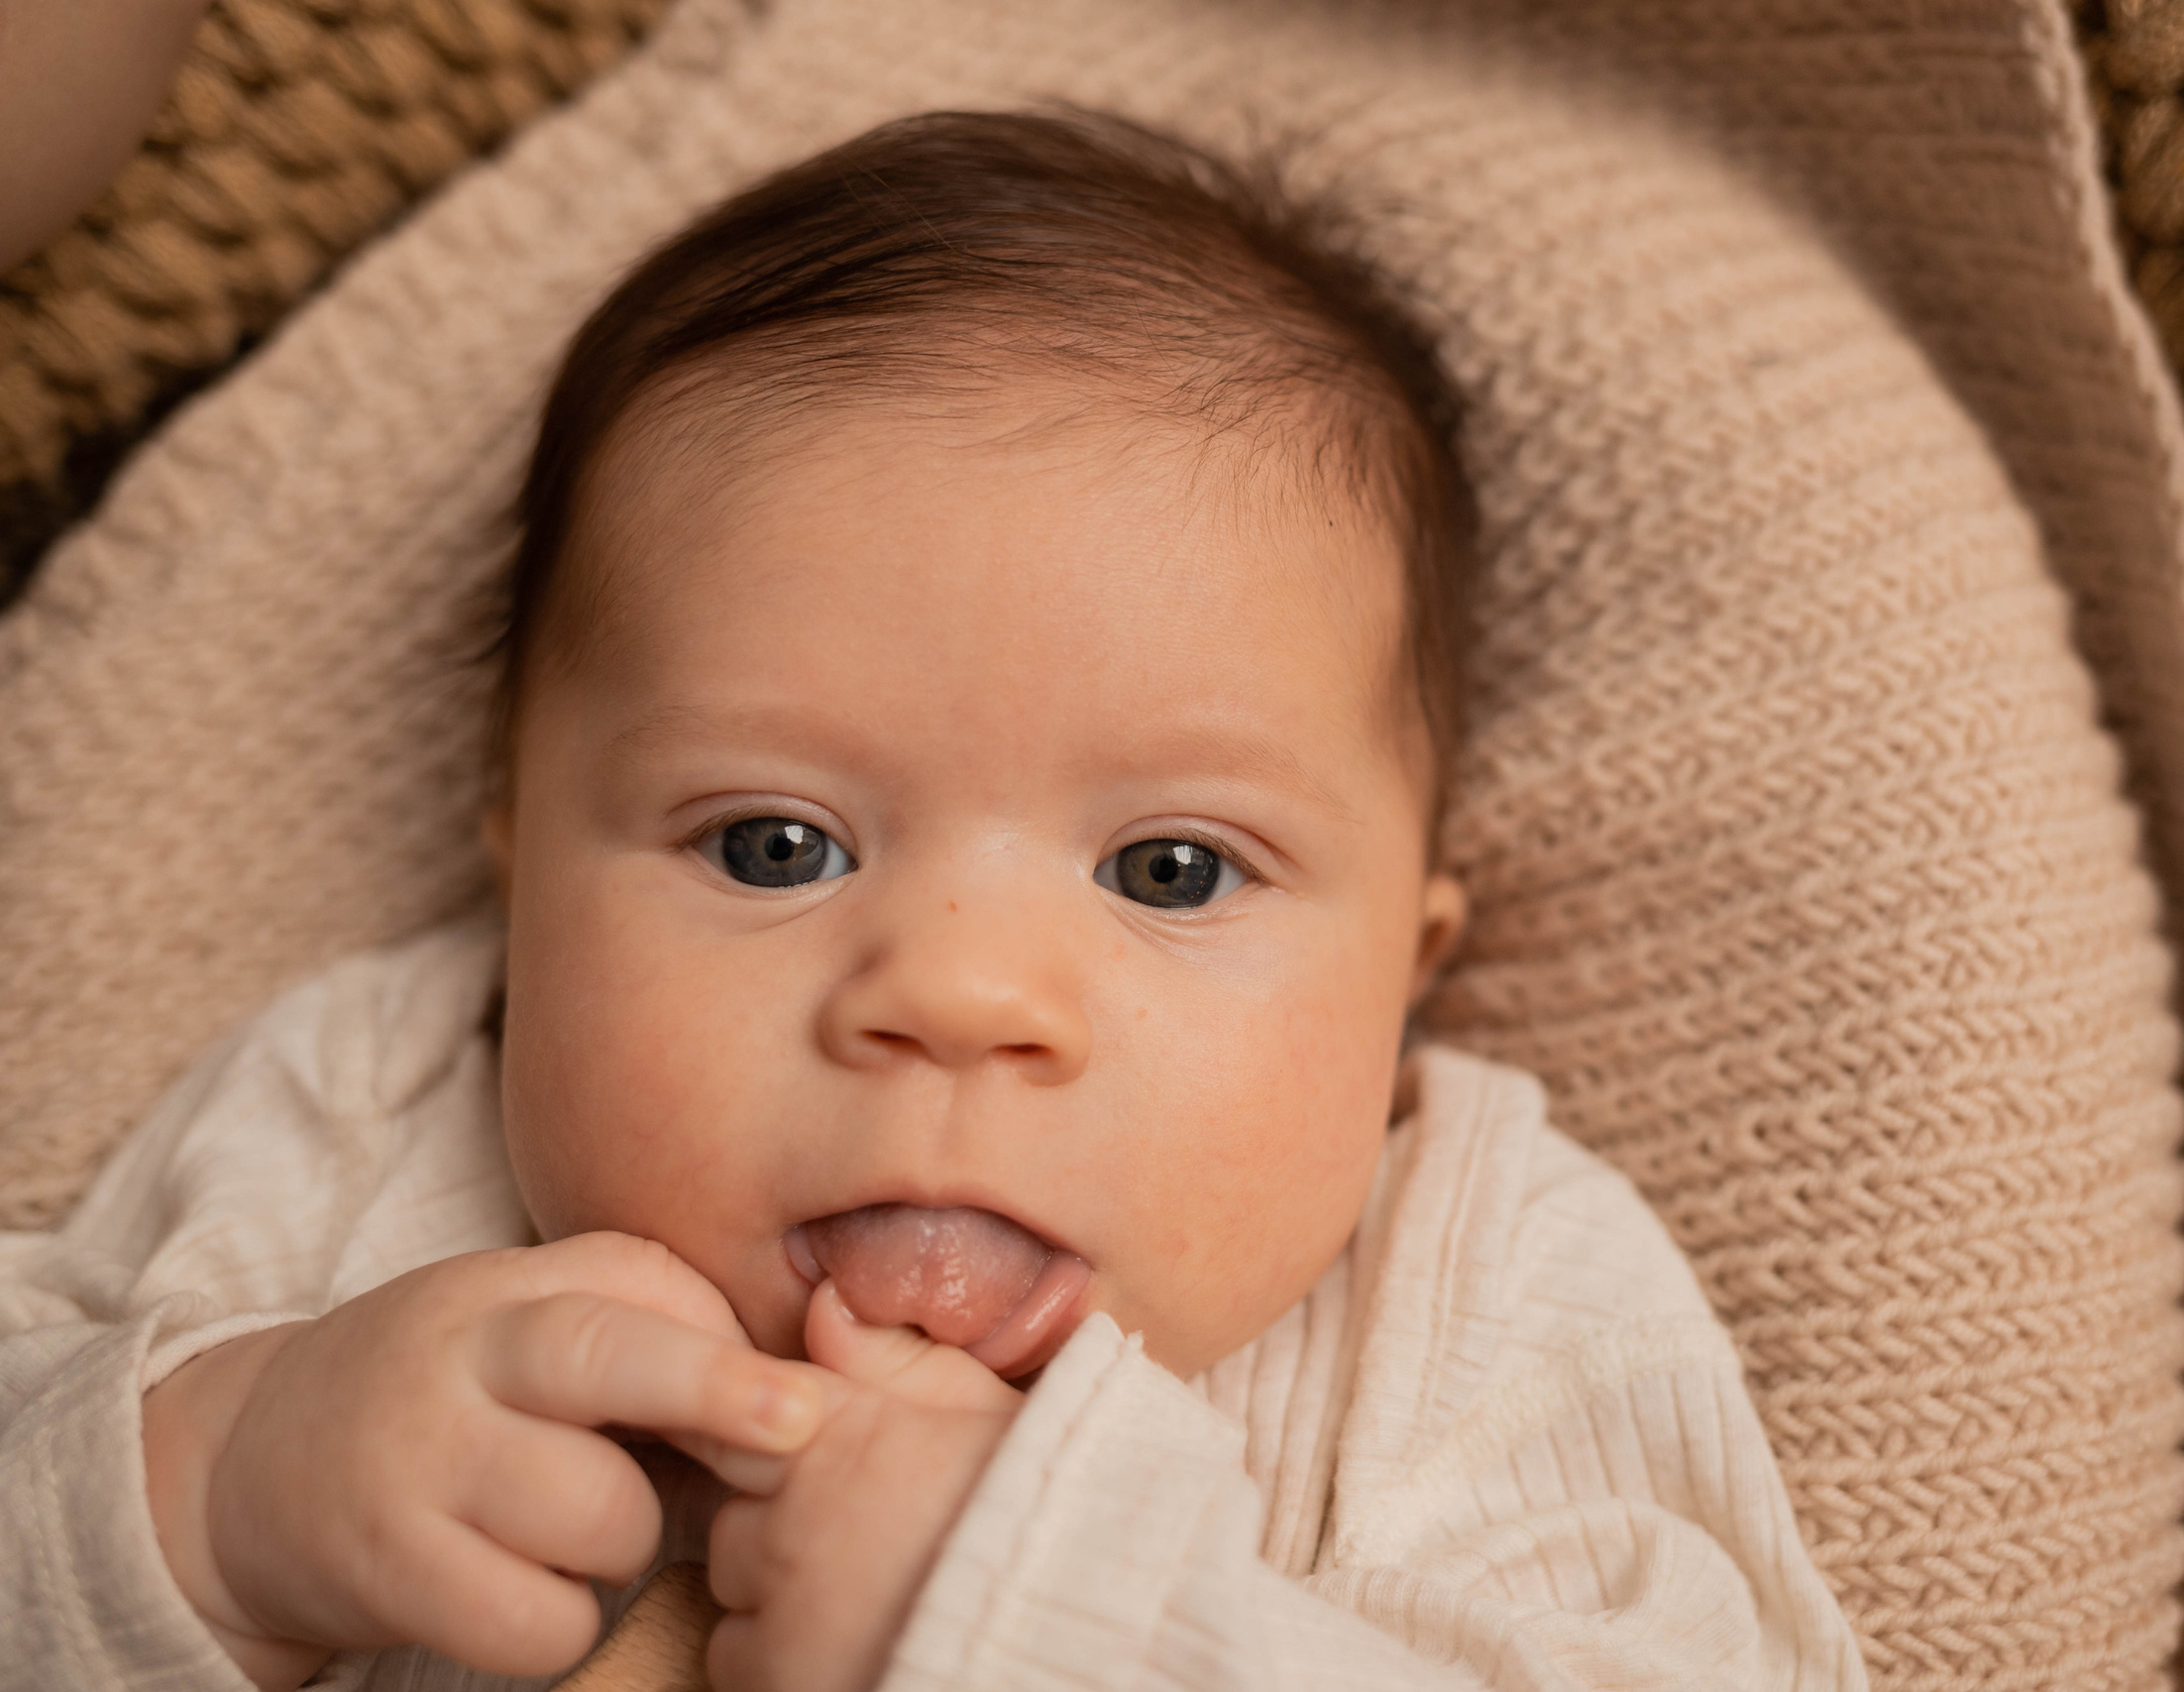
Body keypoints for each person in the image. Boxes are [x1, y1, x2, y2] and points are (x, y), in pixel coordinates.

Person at [0, 110, 1868, 1692]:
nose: (958, 997)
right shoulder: (360, 1110)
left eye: (1172, 871)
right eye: (773, 846)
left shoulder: (1473, 1281)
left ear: (1406, 978)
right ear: (523, 863)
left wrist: (1048, 1612)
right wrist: (207, 1492)